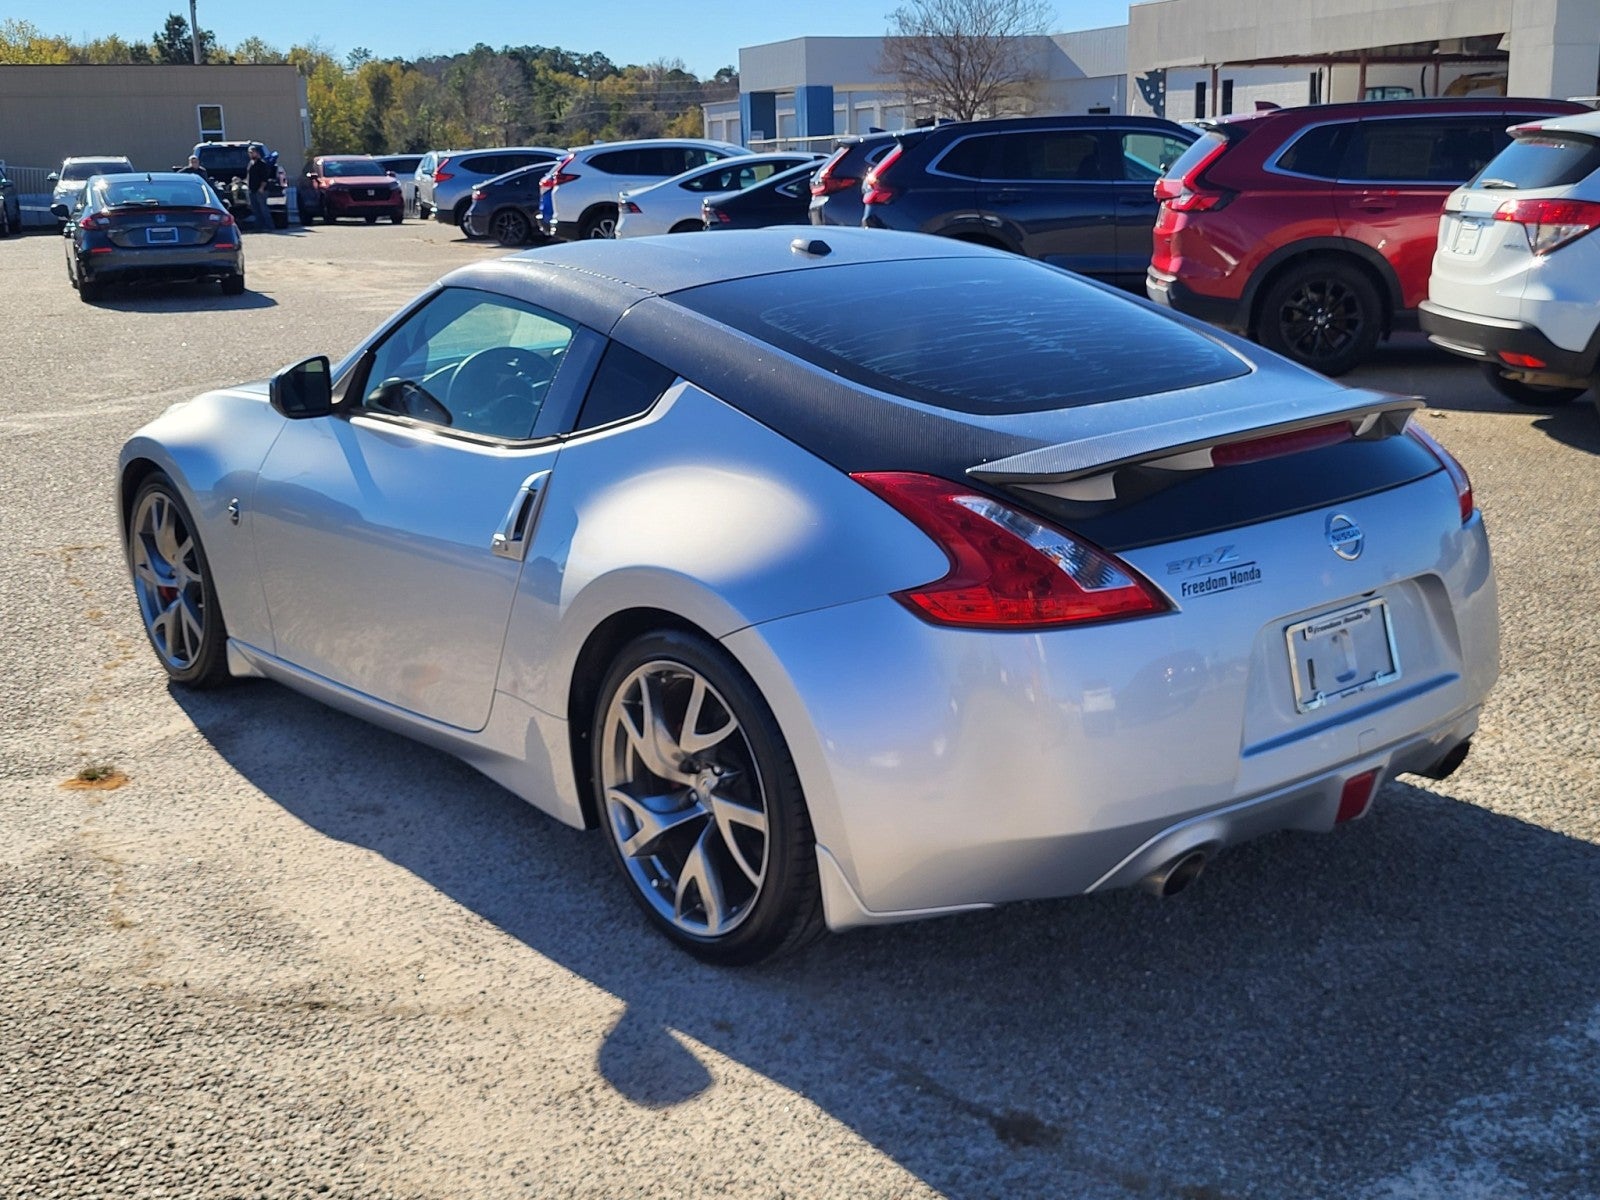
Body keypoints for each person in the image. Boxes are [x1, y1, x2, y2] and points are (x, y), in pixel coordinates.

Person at [245, 144, 276, 231]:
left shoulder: (262, 164)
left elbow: (264, 178)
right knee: (256, 210)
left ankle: (270, 226)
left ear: (257, 153)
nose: (251, 154)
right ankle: (259, 227)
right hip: (252, 190)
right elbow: (248, 176)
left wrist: (261, 188)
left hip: (261, 190)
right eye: (249, 153)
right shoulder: (250, 164)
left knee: (263, 209)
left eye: (252, 152)